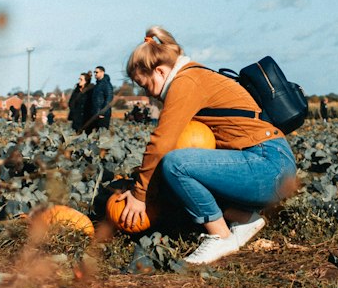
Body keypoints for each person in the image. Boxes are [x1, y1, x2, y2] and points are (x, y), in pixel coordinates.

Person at [111, 26, 298, 267]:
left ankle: (220, 235)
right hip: (265, 165)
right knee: (170, 175)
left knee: (175, 165)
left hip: (269, 165)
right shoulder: (193, 76)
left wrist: (140, 194)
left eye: (144, 84)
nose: (146, 92)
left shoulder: (185, 82)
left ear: (159, 71)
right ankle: (245, 220)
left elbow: (162, 141)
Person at [84, 64, 114, 132]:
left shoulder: (106, 84)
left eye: (96, 72)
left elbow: (109, 99)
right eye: (94, 72)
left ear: (102, 72)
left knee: (102, 134)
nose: (95, 74)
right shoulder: (97, 85)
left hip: (102, 116)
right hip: (95, 114)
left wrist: (103, 112)